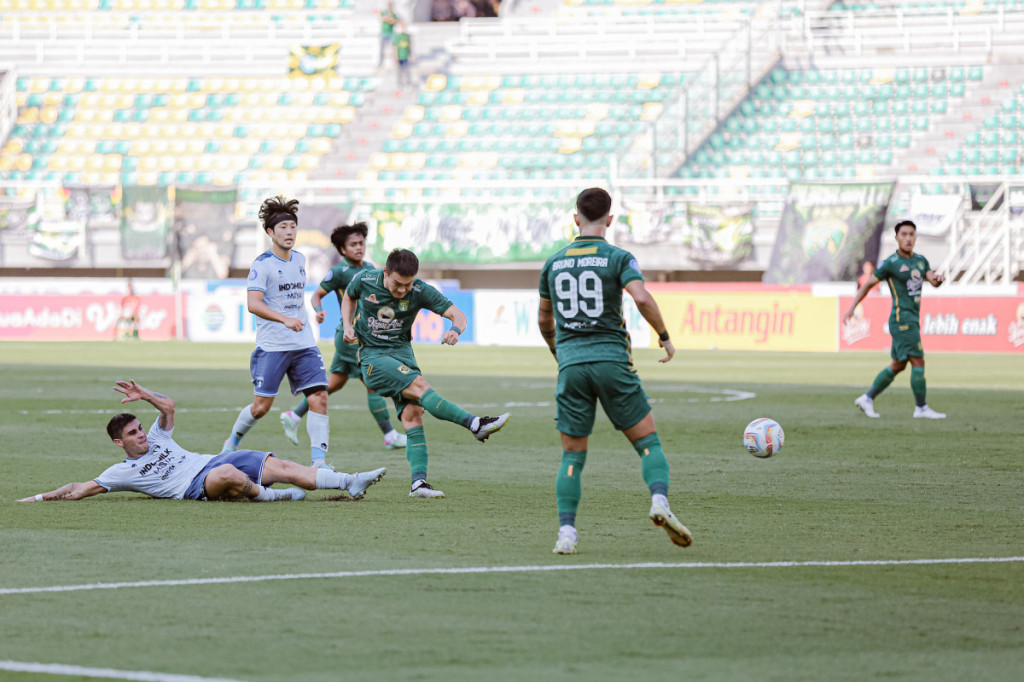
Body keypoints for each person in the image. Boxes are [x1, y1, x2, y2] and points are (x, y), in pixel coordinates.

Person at [537, 187, 692, 555]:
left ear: (576, 218)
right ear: (610, 219)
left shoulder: (553, 263)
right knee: (648, 443)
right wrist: (665, 337)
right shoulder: (618, 257)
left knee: (572, 457)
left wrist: (561, 354)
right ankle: (659, 502)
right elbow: (640, 297)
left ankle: (567, 534)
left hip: (572, 365)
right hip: (612, 363)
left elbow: (544, 321)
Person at [17, 380, 386, 503]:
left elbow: (169, 406)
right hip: (195, 485)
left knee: (286, 467)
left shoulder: (159, 436)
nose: (142, 435)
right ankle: (274, 496)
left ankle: (349, 482)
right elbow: (79, 489)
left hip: (208, 462)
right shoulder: (119, 472)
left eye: (140, 428)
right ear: (120, 443)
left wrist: (145, 394)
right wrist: (38, 498)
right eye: (133, 434)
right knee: (228, 472)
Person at [341, 248, 510, 498]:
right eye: (397, 284)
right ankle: (475, 423)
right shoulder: (365, 280)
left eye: (407, 285)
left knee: (413, 414)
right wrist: (347, 324)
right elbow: (349, 296)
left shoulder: (419, 290)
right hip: (373, 357)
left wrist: (455, 330)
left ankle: (418, 484)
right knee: (420, 386)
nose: (402, 291)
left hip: (403, 353)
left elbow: (458, 314)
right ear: (385, 272)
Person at [222, 196, 333, 467]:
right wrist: (284, 320)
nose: (289, 232)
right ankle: (230, 445)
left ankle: (319, 464)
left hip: (303, 342)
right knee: (261, 408)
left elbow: (295, 297)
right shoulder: (262, 265)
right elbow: (253, 304)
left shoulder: (300, 259)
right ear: (270, 232)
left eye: (292, 227)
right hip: (273, 345)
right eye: (282, 227)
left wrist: (313, 311)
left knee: (319, 397)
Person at [281, 222, 407, 451]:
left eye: (361, 243)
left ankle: (294, 415)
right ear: (342, 249)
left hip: (362, 336)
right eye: (353, 244)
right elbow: (317, 295)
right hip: (351, 337)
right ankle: (390, 435)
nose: (359, 247)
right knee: (374, 384)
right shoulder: (339, 272)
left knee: (333, 383)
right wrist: (318, 310)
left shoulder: (371, 268)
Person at [844, 220, 946, 419]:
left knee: (898, 365)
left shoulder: (920, 260)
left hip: (912, 318)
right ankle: (921, 408)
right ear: (897, 237)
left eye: (911, 234)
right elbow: (866, 285)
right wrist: (852, 307)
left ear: (915, 237)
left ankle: (867, 398)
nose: (908, 238)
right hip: (902, 319)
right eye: (904, 234)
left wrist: (938, 280)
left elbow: (932, 279)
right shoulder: (891, 263)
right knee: (918, 360)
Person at [393, 21, 412, 90]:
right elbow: (395, 47)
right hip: (400, 56)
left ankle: (408, 84)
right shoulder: (397, 36)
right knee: (399, 72)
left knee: (407, 72)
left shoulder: (407, 36)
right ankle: (399, 85)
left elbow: (409, 46)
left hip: (406, 56)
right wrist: (396, 56)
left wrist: (410, 55)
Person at [379, 1, 398, 67]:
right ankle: (380, 62)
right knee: (381, 49)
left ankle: (394, 62)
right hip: (384, 32)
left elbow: (395, 21)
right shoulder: (384, 12)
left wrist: (389, 20)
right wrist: (390, 20)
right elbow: (382, 18)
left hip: (391, 33)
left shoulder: (393, 13)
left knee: (393, 48)